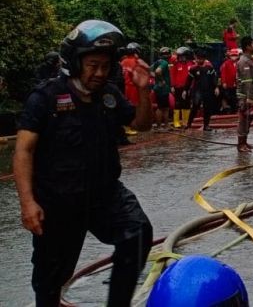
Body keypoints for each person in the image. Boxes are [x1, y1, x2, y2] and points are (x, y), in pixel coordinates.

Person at [14, 20, 153, 307]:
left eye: (105, 66)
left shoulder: (109, 96)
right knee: (50, 280)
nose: (99, 73)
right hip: (58, 202)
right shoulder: (45, 98)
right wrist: (28, 203)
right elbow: (23, 151)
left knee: (137, 233)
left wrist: (142, 91)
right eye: (92, 65)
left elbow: (141, 124)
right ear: (74, 62)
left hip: (104, 195)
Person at [235, 37, 253, 152]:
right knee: (244, 119)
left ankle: (245, 142)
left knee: (249, 118)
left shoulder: (250, 60)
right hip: (245, 96)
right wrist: (249, 98)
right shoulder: (244, 61)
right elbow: (247, 81)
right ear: (247, 47)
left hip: (252, 95)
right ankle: (241, 145)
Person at [186, 49, 220, 131]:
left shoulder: (209, 68)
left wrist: (216, 87)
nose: (198, 60)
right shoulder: (193, 68)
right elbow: (188, 80)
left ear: (204, 59)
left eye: (200, 58)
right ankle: (189, 124)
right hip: (197, 91)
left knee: (207, 108)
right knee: (194, 107)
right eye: (197, 58)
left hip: (208, 90)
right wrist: (185, 90)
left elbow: (214, 79)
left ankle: (206, 125)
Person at [169, 46, 194, 129]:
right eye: (179, 56)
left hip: (188, 88)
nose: (181, 58)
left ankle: (185, 122)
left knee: (186, 104)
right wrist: (172, 86)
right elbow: (172, 75)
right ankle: (176, 121)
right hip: (178, 87)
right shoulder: (176, 64)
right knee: (177, 104)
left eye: (182, 56)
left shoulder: (192, 64)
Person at [151, 47, 172, 130]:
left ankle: (163, 125)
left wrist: (157, 78)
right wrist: (162, 80)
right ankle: (162, 126)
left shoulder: (157, 62)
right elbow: (157, 71)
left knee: (163, 107)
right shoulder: (164, 63)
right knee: (162, 108)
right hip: (163, 88)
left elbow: (150, 70)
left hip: (158, 87)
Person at [219, 48, 239, 113]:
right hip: (227, 84)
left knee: (234, 98)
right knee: (227, 97)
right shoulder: (226, 63)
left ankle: (234, 110)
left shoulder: (238, 64)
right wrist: (224, 82)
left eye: (235, 55)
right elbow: (223, 73)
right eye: (233, 55)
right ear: (230, 56)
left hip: (235, 84)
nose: (234, 57)